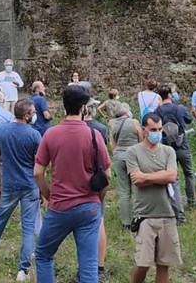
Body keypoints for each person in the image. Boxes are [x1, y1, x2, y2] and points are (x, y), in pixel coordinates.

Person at [34, 85, 111, 283]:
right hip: (89, 208)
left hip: (60, 206)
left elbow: (38, 172)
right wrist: (98, 199)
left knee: (43, 255)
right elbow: (107, 175)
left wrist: (49, 195)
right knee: (88, 265)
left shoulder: (51, 134)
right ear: (84, 109)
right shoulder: (95, 136)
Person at [0, 100, 42, 281]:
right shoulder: (35, 135)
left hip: (9, 184)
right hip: (30, 185)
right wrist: (43, 188)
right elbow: (40, 165)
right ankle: (23, 270)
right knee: (28, 228)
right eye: (32, 112)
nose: (34, 114)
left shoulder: (2, 131)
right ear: (26, 115)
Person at [127, 113, 182, 283]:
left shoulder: (168, 151)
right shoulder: (133, 152)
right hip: (145, 214)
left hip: (167, 212)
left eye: (159, 129)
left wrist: (147, 177)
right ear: (144, 130)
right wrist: (161, 175)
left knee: (164, 263)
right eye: (153, 129)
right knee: (143, 263)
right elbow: (137, 180)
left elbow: (172, 176)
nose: (157, 133)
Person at [155, 85, 195, 212]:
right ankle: (192, 201)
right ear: (171, 95)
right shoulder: (179, 108)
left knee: (173, 179)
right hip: (182, 145)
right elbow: (189, 120)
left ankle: (177, 207)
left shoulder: (157, 111)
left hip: (167, 148)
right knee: (189, 174)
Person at [84, 98, 110, 280]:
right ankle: (99, 266)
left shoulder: (71, 130)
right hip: (97, 178)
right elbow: (105, 158)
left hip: (75, 181)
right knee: (98, 220)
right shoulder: (101, 129)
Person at [108, 103, 143, 230]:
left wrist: (117, 156)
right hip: (133, 157)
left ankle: (125, 221)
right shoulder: (134, 122)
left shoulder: (112, 124)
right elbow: (141, 140)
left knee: (124, 191)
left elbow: (112, 144)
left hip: (119, 158)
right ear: (126, 112)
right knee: (136, 189)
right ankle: (138, 217)